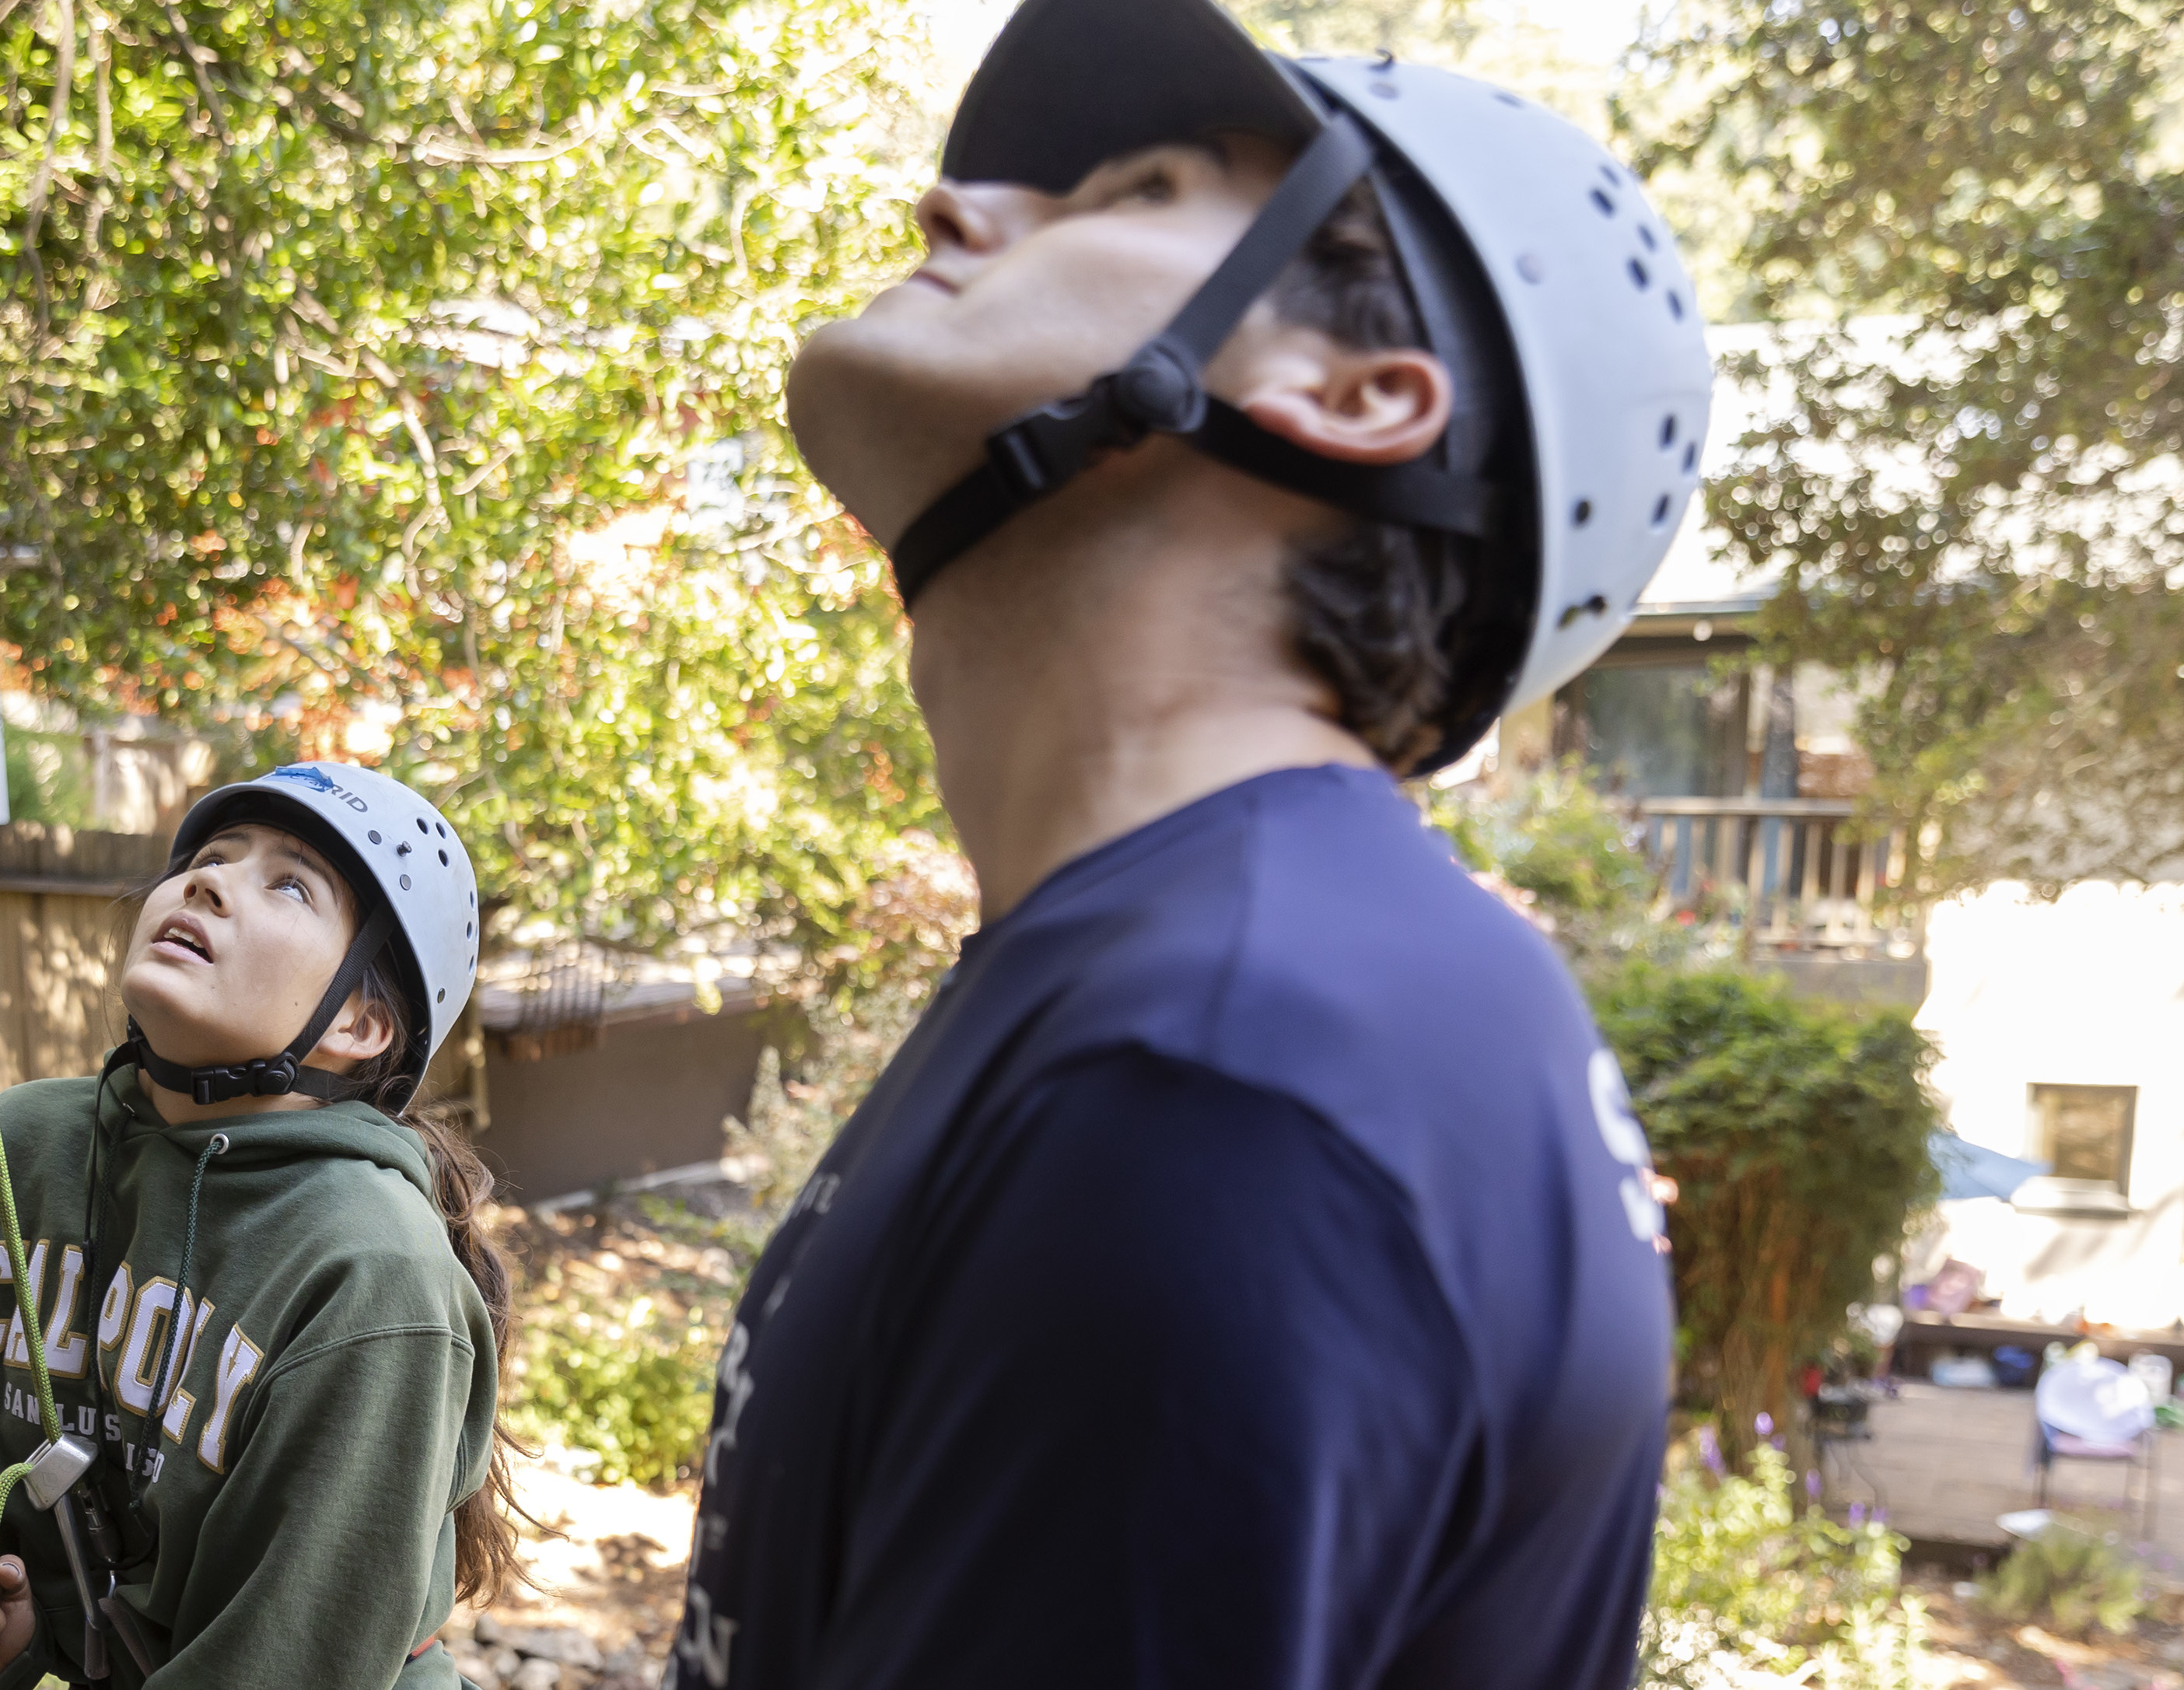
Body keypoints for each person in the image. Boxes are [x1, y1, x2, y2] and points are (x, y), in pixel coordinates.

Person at [667, 2, 1705, 1686]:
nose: (952, 211)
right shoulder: (1197, 979)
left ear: (1358, 397)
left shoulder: (1226, 1062)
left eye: (1130, 191)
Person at [0, 761, 514, 1689]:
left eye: (289, 883)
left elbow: (284, 1662)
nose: (206, 881)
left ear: (363, 1023)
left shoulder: (373, 1270)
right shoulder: (11, 1152)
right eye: (209, 856)